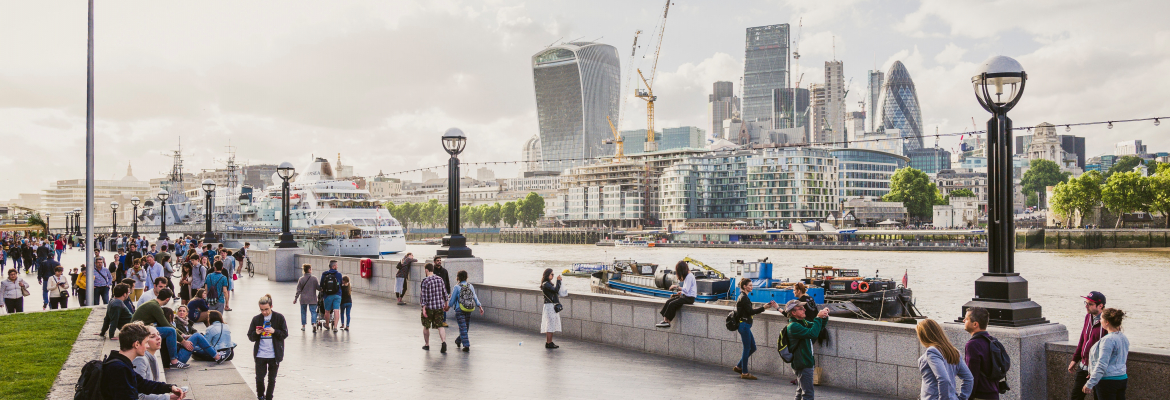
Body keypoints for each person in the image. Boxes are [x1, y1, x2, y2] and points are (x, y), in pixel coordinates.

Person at [99, 321, 185, 400]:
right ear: (136, 344)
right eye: (146, 343)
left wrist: (169, 387)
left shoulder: (121, 363)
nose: (147, 346)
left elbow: (142, 383)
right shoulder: (119, 369)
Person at [130, 288, 192, 369]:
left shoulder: (153, 303)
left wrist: (182, 335)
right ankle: (174, 360)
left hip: (139, 328)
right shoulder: (155, 307)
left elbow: (166, 323)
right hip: (138, 331)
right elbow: (166, 325)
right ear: (167, 299)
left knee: (170, 330)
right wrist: (183, 342)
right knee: (170, 331)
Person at [917, 318, 974, 400]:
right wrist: (962, 398)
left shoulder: (932, 351)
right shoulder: (954, 352)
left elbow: (944, 379)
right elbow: (969, 378)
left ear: (923, 335)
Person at [732, 280, 778, 380]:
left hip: (745, 325)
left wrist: (762, 307)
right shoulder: (743, 298)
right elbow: (750, 312)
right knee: (747, 348)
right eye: (750, 285)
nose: (752, 287)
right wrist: (763, 308)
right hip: (744, 325)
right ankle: (744, 373)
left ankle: (739, 367)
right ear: (744, 286)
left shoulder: (743, 296)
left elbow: (747, 310)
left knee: (752, 347)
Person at [784, 296, 829, 396]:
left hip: (804, 361)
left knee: (800, 392)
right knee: (808, 394)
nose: (804, 309)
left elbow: (817, 327)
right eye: (800, 308)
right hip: (803, 363)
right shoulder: (794, 326)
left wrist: (824, 317)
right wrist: (818, 317)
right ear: (793, 313)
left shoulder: (801, 322)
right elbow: (813, 334)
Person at [247, 294, 288, 400]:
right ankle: (260, 395)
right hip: (260, 354)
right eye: (262, 310)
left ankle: (269, 397)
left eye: (266, 309)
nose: (264, 312)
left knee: (272, 379)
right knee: (259, 378)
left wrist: (274, 331)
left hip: (274, 354)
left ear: (271, 306)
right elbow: (250, 337)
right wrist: (256, 333)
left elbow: (285, 334)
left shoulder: (279, 318)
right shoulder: (256, 319)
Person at [1070, 291, 1109, 400]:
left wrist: (1097, 369)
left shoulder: (1107, 322)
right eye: (1086, 303)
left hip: (1098, 370)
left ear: (1100, 306)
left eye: (1090, 304)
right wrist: (1075, 359)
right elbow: (1083, 339)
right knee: (1075, 397)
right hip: (1083, 367)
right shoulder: (1088, 317)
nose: (1086, 306)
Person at [1083, 308, 1129, 399]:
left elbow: (1102, 363)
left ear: (1107, 322)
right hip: (1122, 378)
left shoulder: (1108, 340)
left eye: (1101, 318)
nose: (1100, 320)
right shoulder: (1123, 337)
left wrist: (1090, 383)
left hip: (1108, 381)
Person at [963, 307, 1003, 400]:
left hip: (980, 396)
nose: (964, 320)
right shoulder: (993, 341)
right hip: (994, 393)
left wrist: (968, 397)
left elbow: (971, 376)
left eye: (967, 319)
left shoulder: (972, 345)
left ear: (975, 324)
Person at [132, 326, 177, 400]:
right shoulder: (140, 360)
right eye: (152, 336)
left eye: (158, 334)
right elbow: (140, 396)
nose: (158, 338)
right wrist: (169, 397)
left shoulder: (152, 355)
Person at [448, 270, 482, 352]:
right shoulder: (470, 286)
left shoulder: (457, 287)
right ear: (467, 277)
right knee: (465, 328)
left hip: (459, 309)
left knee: (463, 328)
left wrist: (448, 306)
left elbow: (452, 299)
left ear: (458, 277)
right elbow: (475, 297)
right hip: (469, 308)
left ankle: (464, 344)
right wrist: (479, 306)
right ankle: (463, 342)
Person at [656, 260, 696, 328]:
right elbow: (687, 289)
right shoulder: (688, 275)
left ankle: (667, 322)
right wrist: (681, 292)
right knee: (669, 301)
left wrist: (676, 286)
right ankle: (665, 320)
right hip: (687, 296)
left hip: (689, 298)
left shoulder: (689, 276)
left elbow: (686, 289)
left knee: (672, 304)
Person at [419, 263, 449, 352]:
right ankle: (443, 342)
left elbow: (423, 296)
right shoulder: (440, 279)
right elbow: (445, 293)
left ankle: (427, 344)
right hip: (439, 306)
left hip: (429, 308)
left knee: (426, 326)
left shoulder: (425, 281)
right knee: (440, 325)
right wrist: (446, 304)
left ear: (426, 270)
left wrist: (423, 308)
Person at [293, 264, 320, 332]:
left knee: (303, 312)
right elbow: (318, 288)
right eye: (311, 269)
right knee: (313, 312)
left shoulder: (301, 279)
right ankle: (313, 324)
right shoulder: (314, 278)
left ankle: (303, 326)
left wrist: (296, 298)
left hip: (303, 299)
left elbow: (298, 290)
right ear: (309, 270)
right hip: (312, 298)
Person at [540, 268, 562, 349]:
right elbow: (556, 290)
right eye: (551, 274)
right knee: (550, 325)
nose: (553, 276)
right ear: (547, 275)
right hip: (549, 306)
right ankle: (548, 343)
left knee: (551, 324)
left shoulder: (548, 284)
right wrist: (558, 281)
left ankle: (550, 342)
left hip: (551, 306)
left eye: (553, 274)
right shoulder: (546, 284)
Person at [319, 260, 343, 332]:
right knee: (336, 310)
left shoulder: (324, 274)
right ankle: (335, 327)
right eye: (336, 265)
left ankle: (327, 324)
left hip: (327, 295)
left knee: (327, 311)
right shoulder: (339, 274)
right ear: (333, 266)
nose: (337, 266)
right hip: (337, 295)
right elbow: (341, 284)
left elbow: (321, 285)